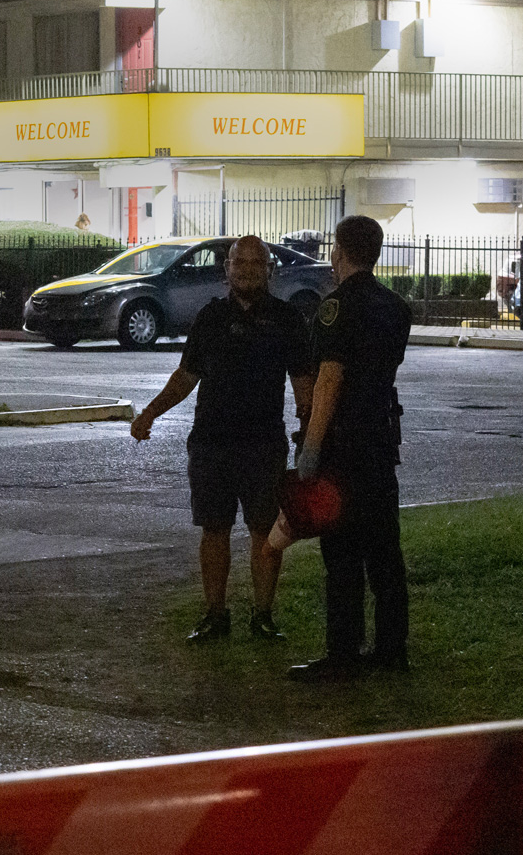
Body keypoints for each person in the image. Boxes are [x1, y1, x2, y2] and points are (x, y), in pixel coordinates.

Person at [129, 236, 314, 642]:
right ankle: (215, 615)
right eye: (237, 262)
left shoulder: (287, 319)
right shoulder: (209, 318)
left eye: (255, 262)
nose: (246, 269)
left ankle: (262, 616)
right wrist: (150, 412)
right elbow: (186, 376)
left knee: (265, 531)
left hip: (264, 444)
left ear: (269, 269)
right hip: (211, 443)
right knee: (213, 530)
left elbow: (304, 383)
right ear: (226, 269)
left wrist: (309, 437)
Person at [289, 214, 413, 681]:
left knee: (341, 554)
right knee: (385, 552)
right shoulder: (396, 308)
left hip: (343, 446)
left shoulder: (334, 308)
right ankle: (391, 649)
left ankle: (343, 653)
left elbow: (329, 380)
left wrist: (311, 449)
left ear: (340, 251)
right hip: (380, 443)